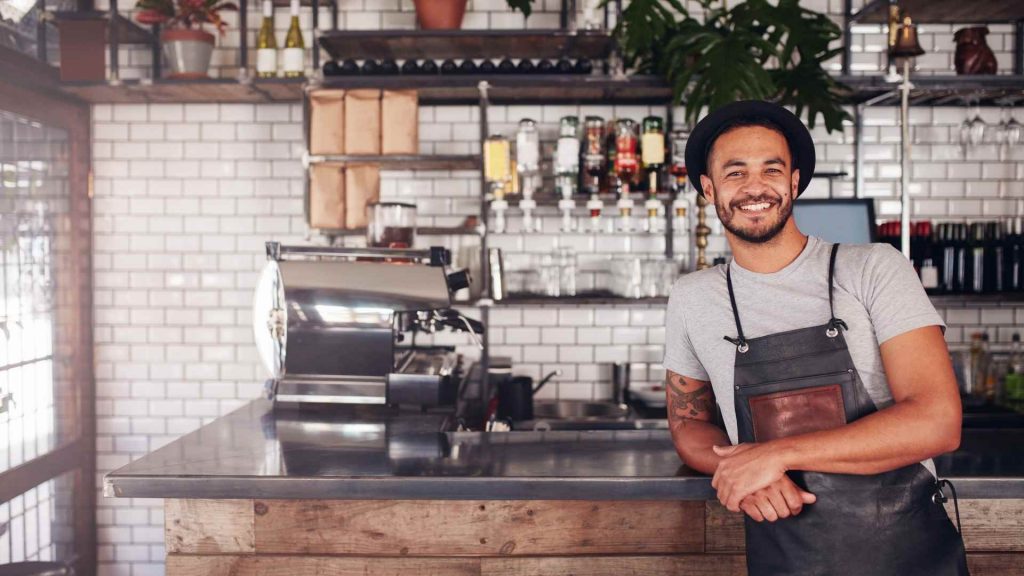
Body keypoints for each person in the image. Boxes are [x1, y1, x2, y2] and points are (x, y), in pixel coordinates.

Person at [663, 100, 969, 575]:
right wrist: (742, 470)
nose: (754, 187)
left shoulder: (872, 268)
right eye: (735, 172)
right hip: (784, 556)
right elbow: (688, 425)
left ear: (793, 182)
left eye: (771, 169)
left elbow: (938, 421)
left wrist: (772, 457)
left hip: (906, 555)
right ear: (709, 189)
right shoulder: (692, 297)